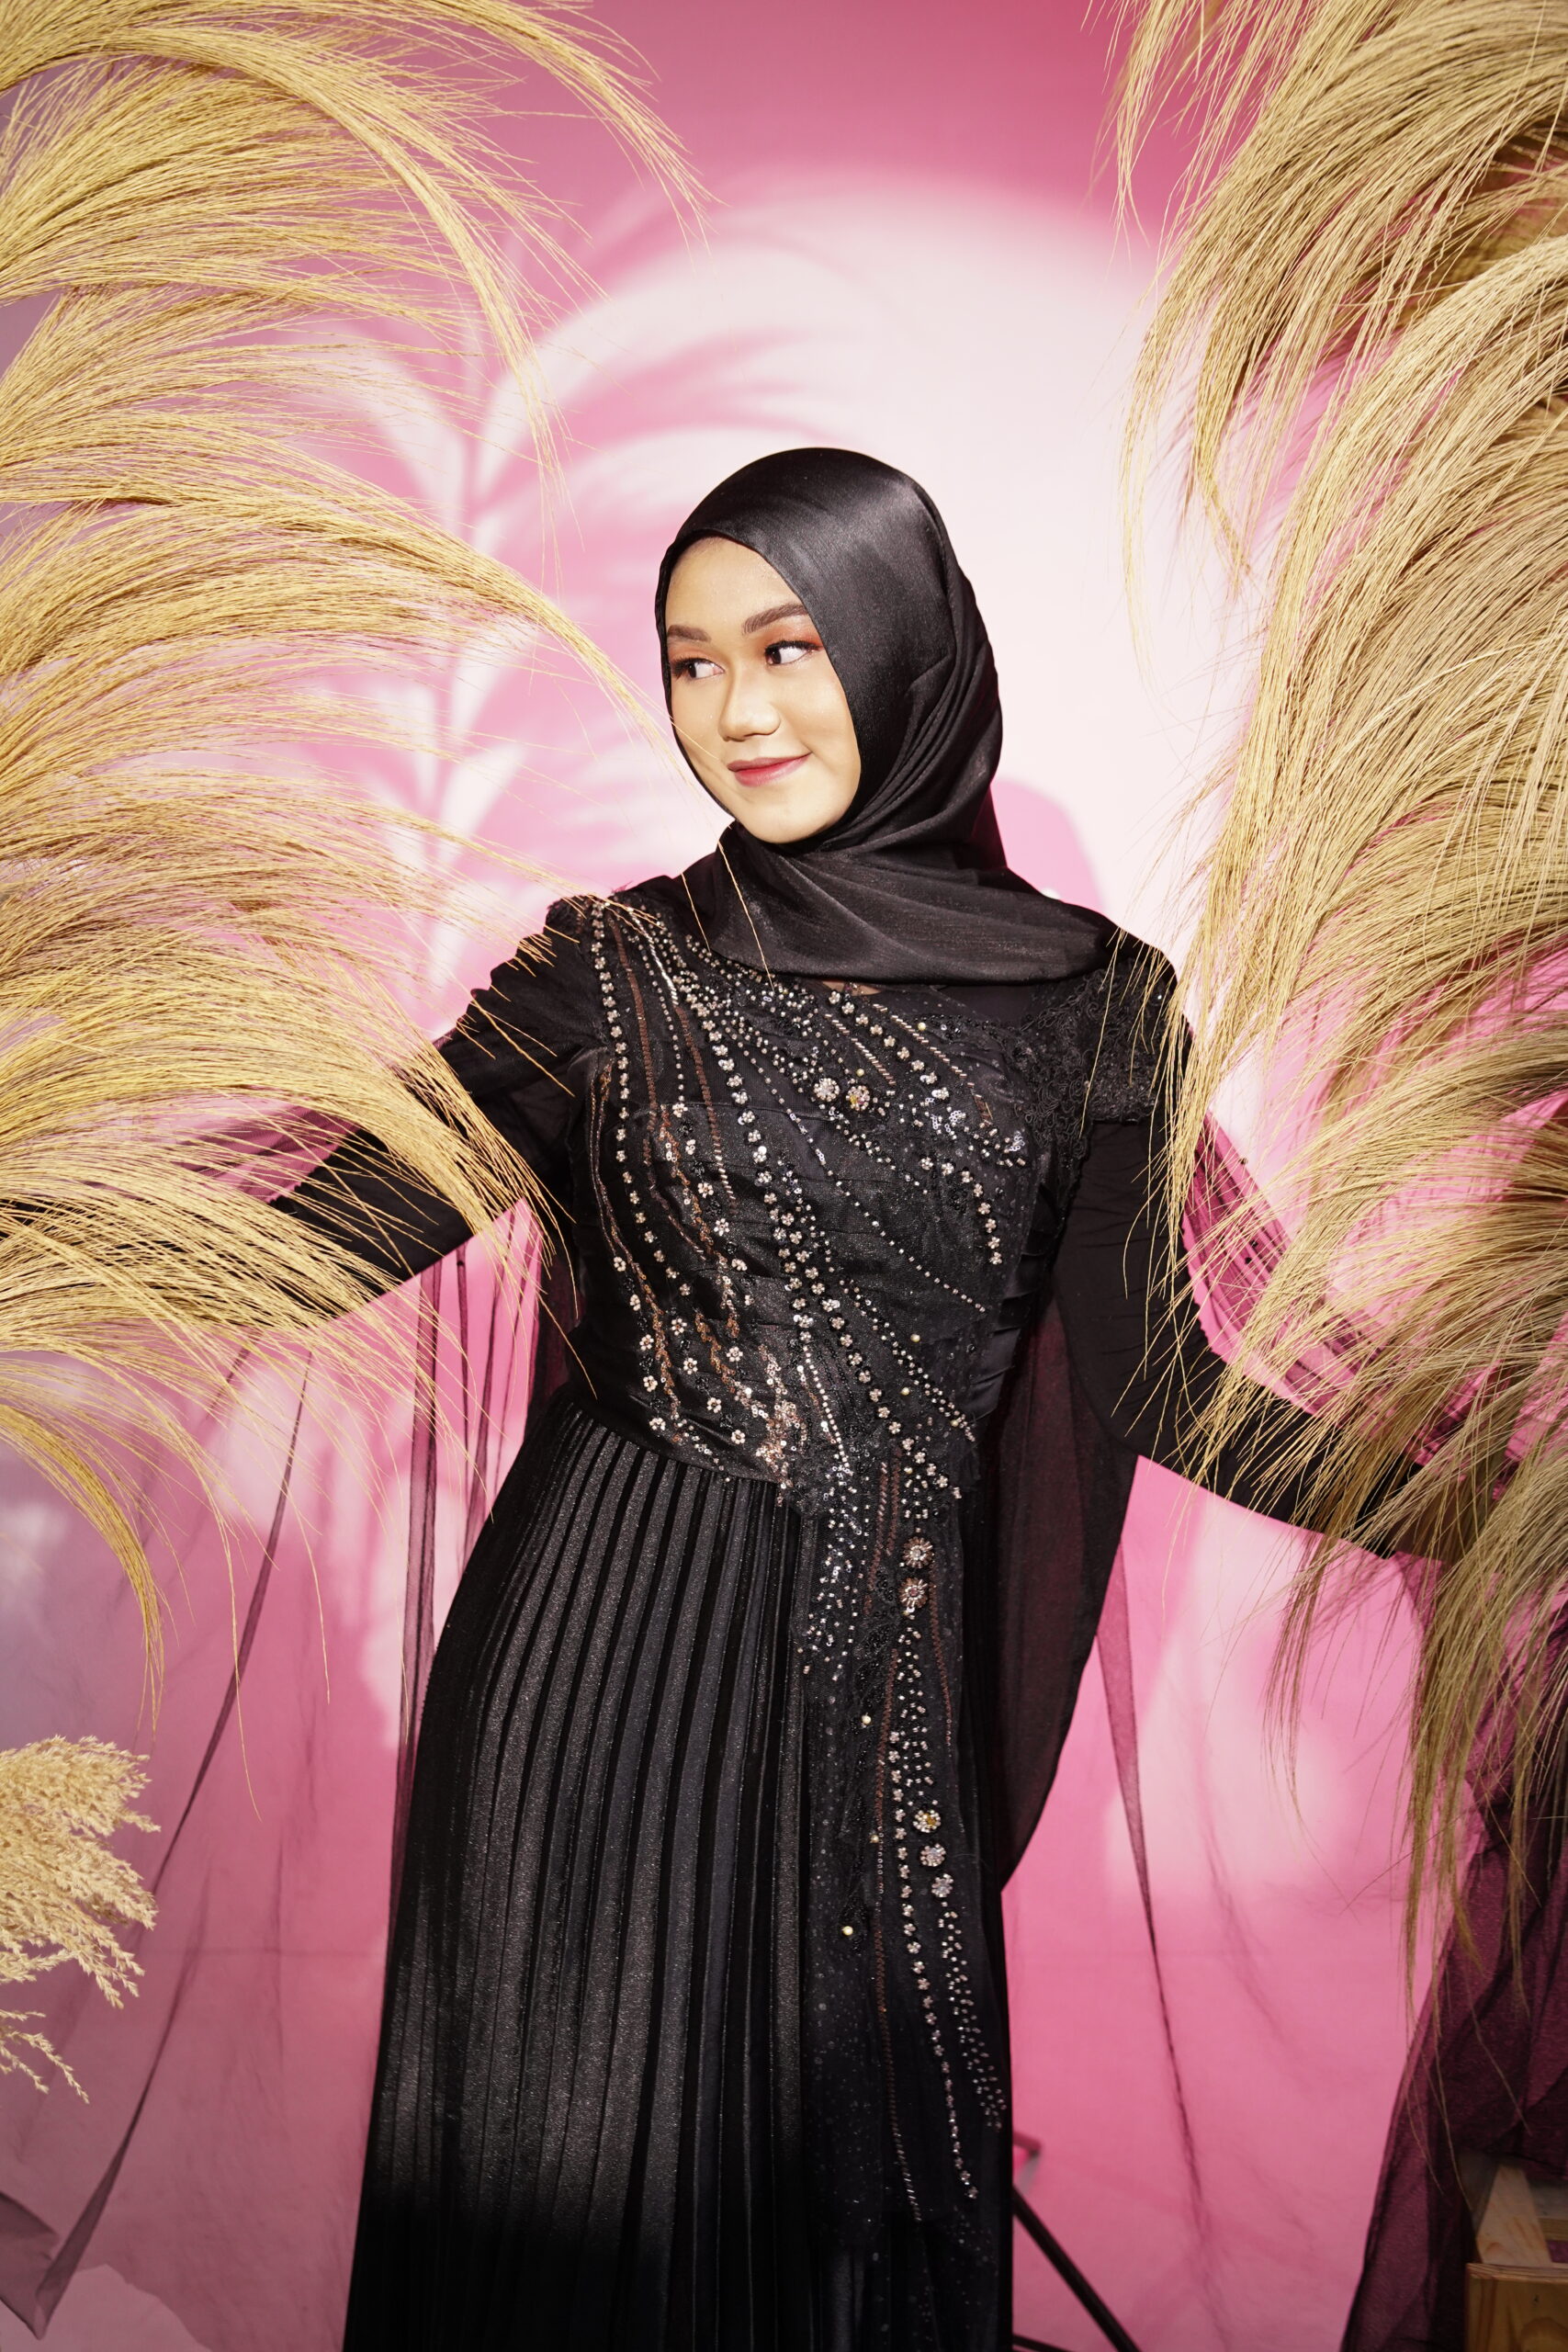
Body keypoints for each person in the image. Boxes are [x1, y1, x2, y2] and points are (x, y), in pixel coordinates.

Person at [274, 445, 1362, 2352]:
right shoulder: (608, 972)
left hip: (877, 1703)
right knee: (578, 2200)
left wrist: (1470, 1494)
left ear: (904, 643)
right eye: (689, 662)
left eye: (786, 647)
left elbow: (1170, 1385)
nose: (736, 711)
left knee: (833, 2225)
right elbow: (332, 1230)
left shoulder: (1096, 1004)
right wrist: (76, 1222)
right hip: (593, 1674)